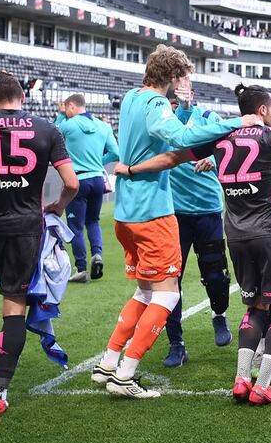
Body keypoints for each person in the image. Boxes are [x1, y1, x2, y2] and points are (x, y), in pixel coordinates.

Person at [114, 85, 271, 405]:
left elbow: (170, 157)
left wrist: (131, 169)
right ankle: (263, 386)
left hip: (236, 233)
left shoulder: (218, 137)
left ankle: (242, 378)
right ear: (262, 110)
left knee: (255, 306)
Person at [90, 45, 261, 398]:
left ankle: (108, 363)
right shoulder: (155, 104)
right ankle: (126, 375)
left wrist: (183, 109)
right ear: (173, 76)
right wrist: (237, 122)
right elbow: (179, 138)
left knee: (146, 290)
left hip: (127, 212)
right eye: (183, 76)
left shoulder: (132, 97)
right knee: (167, 295)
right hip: (152, 213)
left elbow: (165, 134)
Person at [0, 71, 79, 415]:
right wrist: (58, 206)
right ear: (23, 98)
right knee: (15, 304)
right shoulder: (48, 129)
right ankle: (1, 393)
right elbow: (71, 183)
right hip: (26, 227)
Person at [160, 88, 234, 368]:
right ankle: (176, 343)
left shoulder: (208, 117)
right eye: (174, 99)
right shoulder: (164, 124)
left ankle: (219, 314)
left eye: (183, 95)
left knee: (215, 274)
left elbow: (227, 149)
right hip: (174, 213)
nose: (180, 102)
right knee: (171, 279)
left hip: (208, 210)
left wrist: (213, 160)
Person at [55, 94, 119, 283]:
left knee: (75, 226)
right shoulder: (103, 126)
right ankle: (97, 254)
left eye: (66, 108)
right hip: (98, 179)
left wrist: (60, 116)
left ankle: (81, 268)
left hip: (77, 180)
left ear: (72, 106)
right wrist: (98, 162)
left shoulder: (68, 125)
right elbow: (115, 152)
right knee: (93, 221)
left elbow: (52, 136)